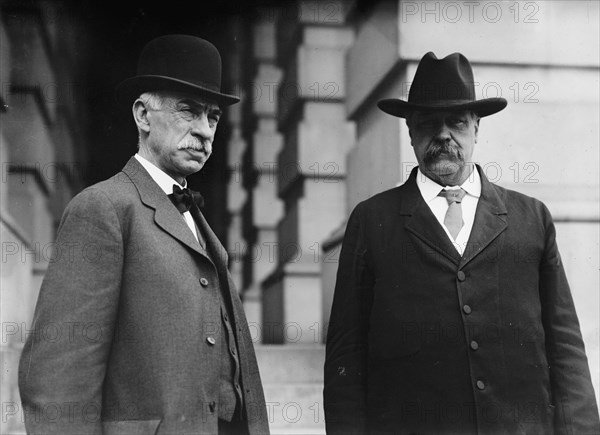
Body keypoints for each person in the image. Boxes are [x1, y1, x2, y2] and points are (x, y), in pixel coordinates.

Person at [324, 52, 600, 434]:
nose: (442, 135)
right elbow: (346, 355)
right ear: (409, 132)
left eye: (455, 122)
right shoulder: (372, 221)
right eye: (427, 123)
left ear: (476, 128)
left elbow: (566, 347)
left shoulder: (531, 219)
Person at [18, 35, 269, 435]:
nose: (204, 131)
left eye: (213, 117)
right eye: (188, 111)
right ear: (143, 115)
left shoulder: (194, 216)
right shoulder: (103, 208)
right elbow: (58, 378)